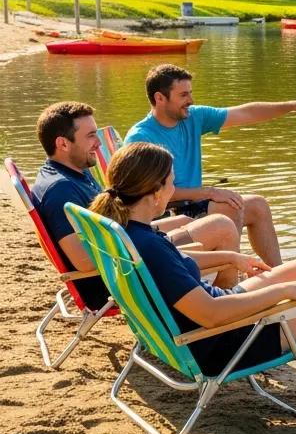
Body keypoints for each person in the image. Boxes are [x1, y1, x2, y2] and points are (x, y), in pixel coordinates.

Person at [90, 142, 296, 411]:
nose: (174, 189)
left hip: (212, 325)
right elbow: (212, 314)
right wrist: (283, 291)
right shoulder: (149, 244)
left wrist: (231, 257)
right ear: (156, 191)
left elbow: (175, 264)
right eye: (171, 182)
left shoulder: (130, 233)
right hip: (225, 344)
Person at [32, 102, 244, 305]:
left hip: (126, 251)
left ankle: (210, 295)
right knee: (222, 229)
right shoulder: (61, 190)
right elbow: (84, 261)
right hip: (120, 273)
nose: (98, 142)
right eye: (90, 136)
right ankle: (220, 311)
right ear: (63, 143)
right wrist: (154, 244)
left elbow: (108, 225)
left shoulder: (72, 173)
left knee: (192, 221)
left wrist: (152, 231)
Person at [124, 64, 296, 267]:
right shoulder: (141, 138)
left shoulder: (193, 117)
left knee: (257, 205)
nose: (191, 100)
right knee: (228, 205)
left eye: (190, 93)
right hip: (166, 214)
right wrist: (210, 192)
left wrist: (293, 106)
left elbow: (247, 113)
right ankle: (230, 280)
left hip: (193, 204)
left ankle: (276, 273)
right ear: (160, 98)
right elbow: (147, 194)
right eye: (183, 95)